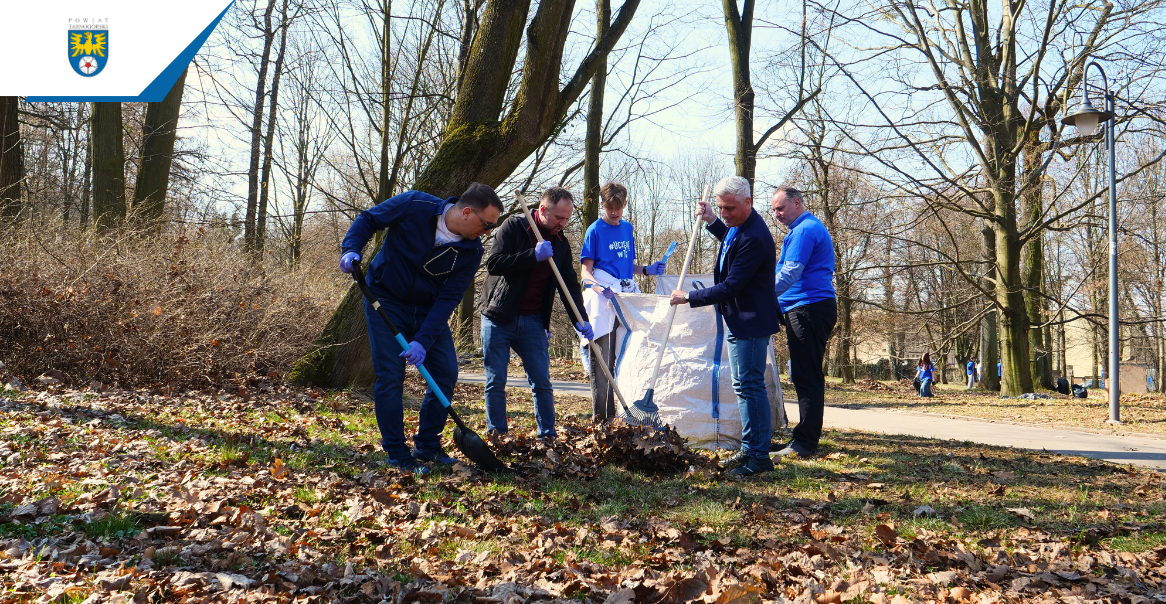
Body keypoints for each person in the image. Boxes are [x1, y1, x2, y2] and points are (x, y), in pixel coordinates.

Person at [339, 183, 503, 473]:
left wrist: (423, 341)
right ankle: (396, 453)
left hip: (429, 309)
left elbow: (449, 297)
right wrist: (350, 249)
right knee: (390, 374)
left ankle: (426, 446)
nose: (487, 232)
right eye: (486, 224)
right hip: (385, 299)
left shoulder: (471, 250)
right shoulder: (415, 205)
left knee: (446, 371)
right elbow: (369, 219)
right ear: (467, 212)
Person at [669, 176, 779, 477]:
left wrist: (688, 296)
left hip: (751, 322)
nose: (725, 213)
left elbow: (731, 286)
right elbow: (730, 243)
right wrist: (711, 220)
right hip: (738, 320)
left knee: (751, 386)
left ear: (748, 202)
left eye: (729, 208)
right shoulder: (738, 228)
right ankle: (748, 449)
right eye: (721, 207)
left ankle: (758, 457)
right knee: (743, 386)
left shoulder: (755, 236)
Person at [478, 187, 593, 440]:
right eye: (558, 218)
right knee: (496, 381)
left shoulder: (560, 243)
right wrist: (533, 256)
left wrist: (580, 320)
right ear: (542, 210)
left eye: (567, 218)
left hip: (533, 321)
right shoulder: (514, 226)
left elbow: (569, 285)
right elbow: (494, 263)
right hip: (498, 315)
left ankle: (547, 437)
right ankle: (498, 437)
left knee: (542, 382)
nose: (563, 224)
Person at [579, 182, 666, 422]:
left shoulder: (627, 229)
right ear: (602, 204)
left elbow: (626, 269)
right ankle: (602, 420)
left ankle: (620, 416)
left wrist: (647, 270)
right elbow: (586, 273)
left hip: (626, 298)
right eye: (609, 207)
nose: (614, 212)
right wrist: (598, 287)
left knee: (626, 357)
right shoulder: (594, 230)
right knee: (603, 361)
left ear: (625, 204)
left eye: (618, 208)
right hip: (602, 301)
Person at [768, 186, 837, 460]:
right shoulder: (801, 230)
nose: (777, 214)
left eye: (780, 208)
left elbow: (790, 273)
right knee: (803, 374)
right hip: (804, 309)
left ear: (797, 203)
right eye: (773, 210)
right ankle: (802, 438)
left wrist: (757, 295)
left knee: (807, 376)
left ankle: (805, 444)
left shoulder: (805, 230)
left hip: (809, 308)